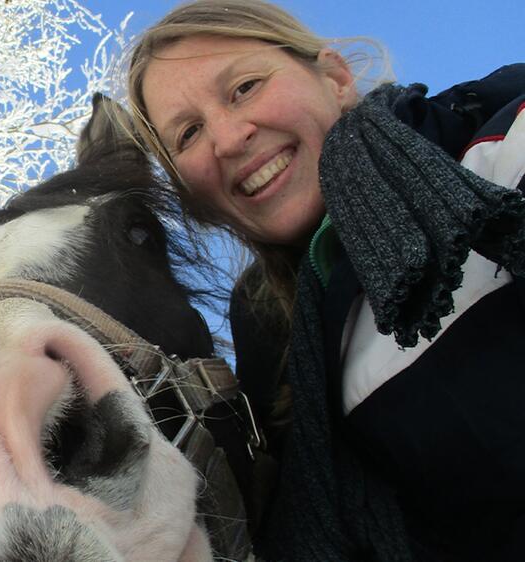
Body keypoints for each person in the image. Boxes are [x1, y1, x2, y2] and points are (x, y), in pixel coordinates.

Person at [125, 0, 525, 560]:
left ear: (335, 78)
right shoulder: (269, 359)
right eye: (188, 133)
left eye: (244, 87)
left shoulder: (494, 138)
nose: (228, 137)